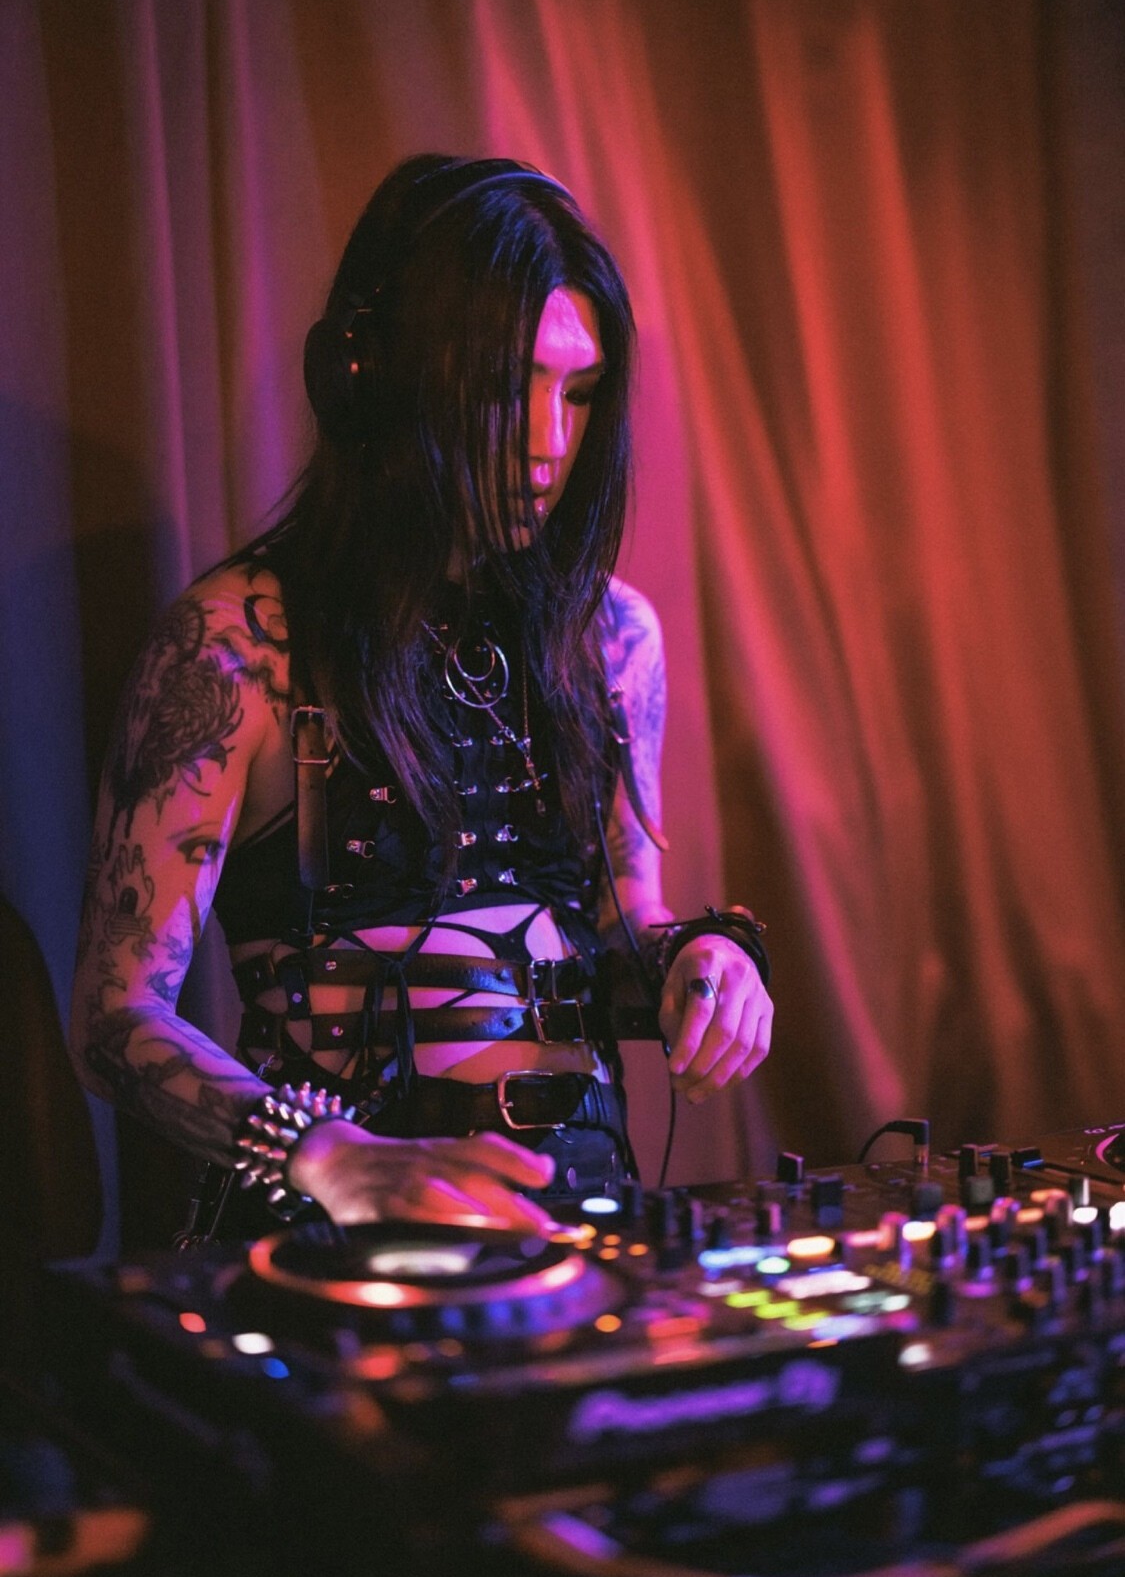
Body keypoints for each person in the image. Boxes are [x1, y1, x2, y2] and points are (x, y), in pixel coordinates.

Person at [69, 154, 773, 1242]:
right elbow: (114, 1016)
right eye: (502, 387)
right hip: (330, 1246)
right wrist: (324, 1153)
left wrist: (700, 964)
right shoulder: (240, 643)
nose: (549, 443)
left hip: (576, 1226)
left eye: (579, 392)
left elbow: (617, 931)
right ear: (375, 375)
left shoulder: (613, 637)